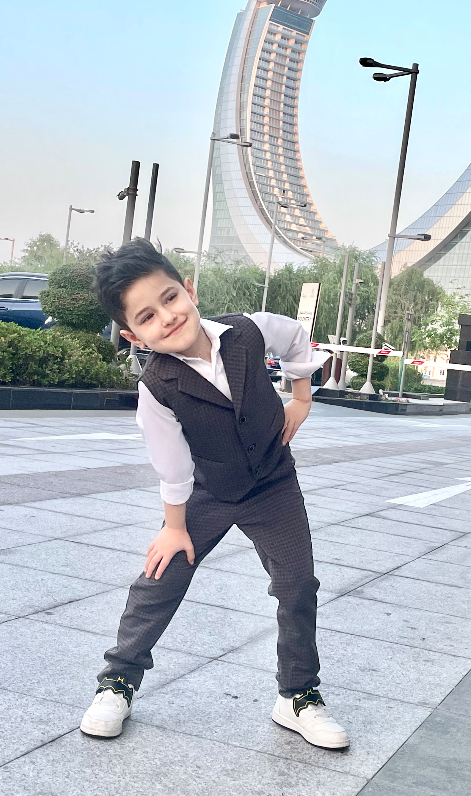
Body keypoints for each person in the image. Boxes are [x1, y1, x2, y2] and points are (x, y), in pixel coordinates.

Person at [79, 239, 349, 750]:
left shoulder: (247, 331)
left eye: (170, 298)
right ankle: (117, 683)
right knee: (161, 577)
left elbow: (295, 338)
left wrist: (301, 397)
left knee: (297, 585)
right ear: (132, 335)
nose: (167, 317)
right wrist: (174, 527)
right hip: (209, 490)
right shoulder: (157, 387)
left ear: (190, 290)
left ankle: (297, 695)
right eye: (147, 316)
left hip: (273, 485)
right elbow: (173, 466)